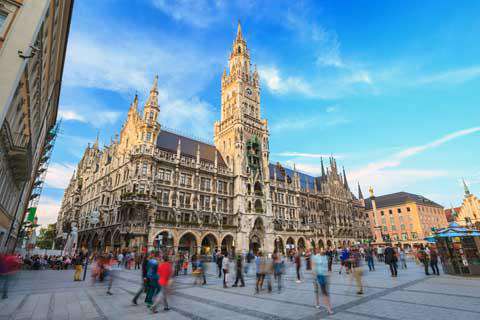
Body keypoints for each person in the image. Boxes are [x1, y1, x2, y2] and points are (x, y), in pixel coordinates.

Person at [311, 248, 333, 314]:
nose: (322, 250)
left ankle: (321, 304)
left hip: (325, 276)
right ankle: (328, 308)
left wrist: (329, 273)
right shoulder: (314, 257)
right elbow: (313, 267)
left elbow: (327, 266)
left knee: (326, 292)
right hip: (318, 276)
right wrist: (315, 275)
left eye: (323, 249)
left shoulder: (326, 257)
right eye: (321, 249)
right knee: (320, 291)